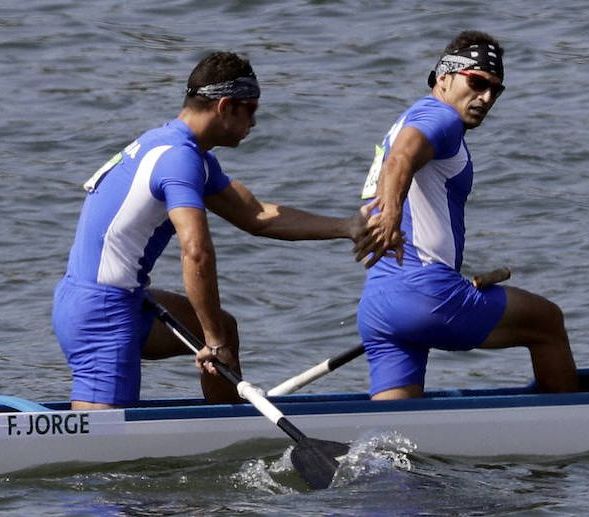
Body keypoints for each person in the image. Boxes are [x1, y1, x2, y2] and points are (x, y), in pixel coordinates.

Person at [52, 51, 382, 410]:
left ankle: (227, 423)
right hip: (102, 313)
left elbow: (256, 215)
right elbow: (196, 252)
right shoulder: (178, 159)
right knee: (101, 456)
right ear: (225, 107)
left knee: (224, 327)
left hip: (116, 300)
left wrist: (348, 227)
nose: (255, 123)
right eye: (251, 109)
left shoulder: (175, 147)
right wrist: (212, 342)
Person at [355, 31, 579, 400]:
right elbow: (400, 161)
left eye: (496, 90)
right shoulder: (440, 118)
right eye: (477, 83)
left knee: (394, 437)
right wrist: (391, 215)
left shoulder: (407, 119)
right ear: (444, 76)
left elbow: (400, 162)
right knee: (546, 321)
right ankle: (574, 429)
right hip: (426, 295)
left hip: (380, 306)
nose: (486, 98)